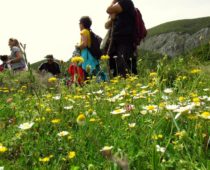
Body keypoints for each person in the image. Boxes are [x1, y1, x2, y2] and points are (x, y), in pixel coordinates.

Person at [106, 0, 137, 77]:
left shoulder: (126, 2)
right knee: (115, 66)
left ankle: (128, 84)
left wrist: (113, 2)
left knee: (123, 66)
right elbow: (106, 25)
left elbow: (108, 10)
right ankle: (120, 84)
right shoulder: (117, 9)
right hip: (116, 42)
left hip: (125, 42)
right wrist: (112, 19)